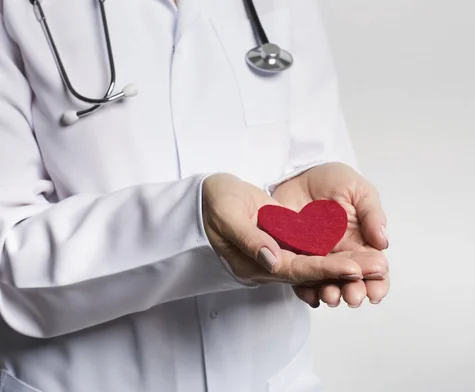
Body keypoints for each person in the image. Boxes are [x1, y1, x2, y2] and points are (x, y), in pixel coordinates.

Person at [0, 0, 390, 391]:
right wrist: (192, 221)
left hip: (272, 372)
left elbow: (311, 153)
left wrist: (315, 181)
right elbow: (6, 260)